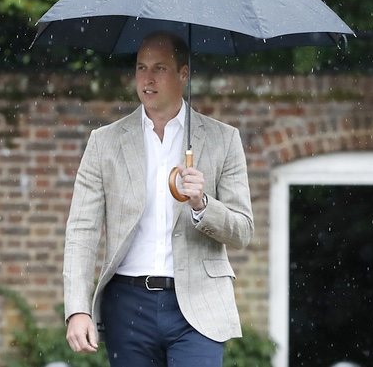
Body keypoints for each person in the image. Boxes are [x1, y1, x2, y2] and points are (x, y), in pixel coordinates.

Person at [62, 31, 254, 366]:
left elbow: (243, 230)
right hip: (127, 305)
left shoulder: (224, 139)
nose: (147, 79)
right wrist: (77, 309)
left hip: (199, 305)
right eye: (140, 68)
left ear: (184, 74)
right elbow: (81, 231)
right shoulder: (104, 143)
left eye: (160, 69)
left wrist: (203, 205)